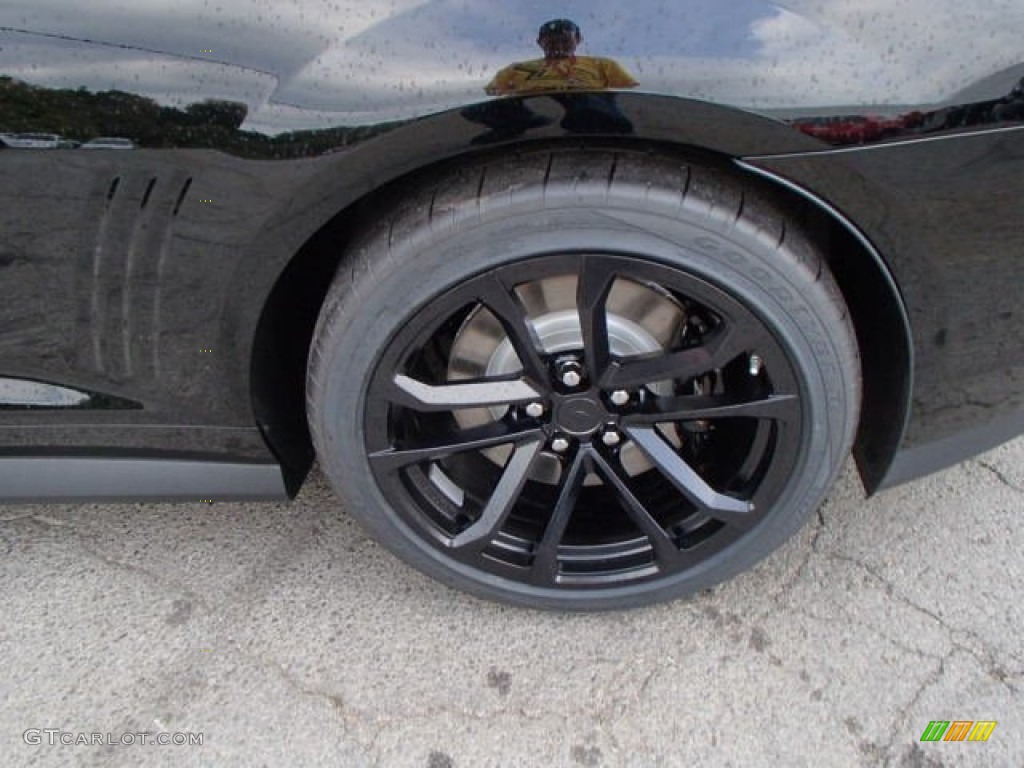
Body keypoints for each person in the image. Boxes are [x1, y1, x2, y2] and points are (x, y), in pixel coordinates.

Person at [485, 19, 638, 96]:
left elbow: (631, 94)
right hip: (531, 112)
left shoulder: (603, 64)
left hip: (589, 107)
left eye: (565, 41)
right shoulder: (515, 68)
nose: (558, 47)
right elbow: (491, 94)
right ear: (539, 43)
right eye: (551, 42)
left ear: (578, 40)